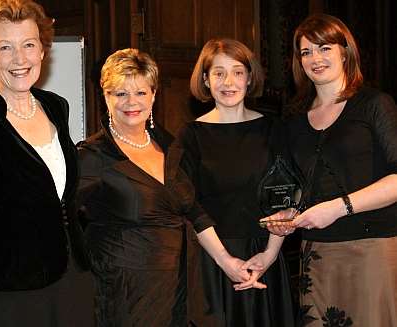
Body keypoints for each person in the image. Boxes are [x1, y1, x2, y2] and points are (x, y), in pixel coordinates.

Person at [76, 48, 264, 327]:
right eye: (120, 93)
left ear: (154, 95)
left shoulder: (169, 145)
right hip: (126, 295)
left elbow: (193, 210)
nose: (131, 102)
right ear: (105, 96)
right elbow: (64, 221)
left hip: (182, 287)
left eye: (141, 93)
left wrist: (227, 262)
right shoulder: (91, 156)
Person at [0, 1, 94, 326]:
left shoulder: (57, 107)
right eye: (5, 47)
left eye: (29, 44)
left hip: (74, 281)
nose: (20, 58)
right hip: (12, 294)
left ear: (43, 50)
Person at [261, 13, 397, 326]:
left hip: (371, 250)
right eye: (306, 52)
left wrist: (339, 208)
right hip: (316, 253)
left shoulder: (375, 104)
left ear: (344, 51)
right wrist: (286, 217)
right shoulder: (294, 119)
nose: (315, 58)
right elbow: (296, 188)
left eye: (324, 48)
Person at [177, 38, 296, 326]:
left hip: (264, 257)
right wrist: (224, 260)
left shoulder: (273, 129)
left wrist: (268, 255)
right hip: (212, 261)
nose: (228, 82)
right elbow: (188, 205)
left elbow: (286, 197)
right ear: (205, 80)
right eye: (218, 73)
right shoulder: (190, 136)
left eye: (238, 72)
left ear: (250, 77)